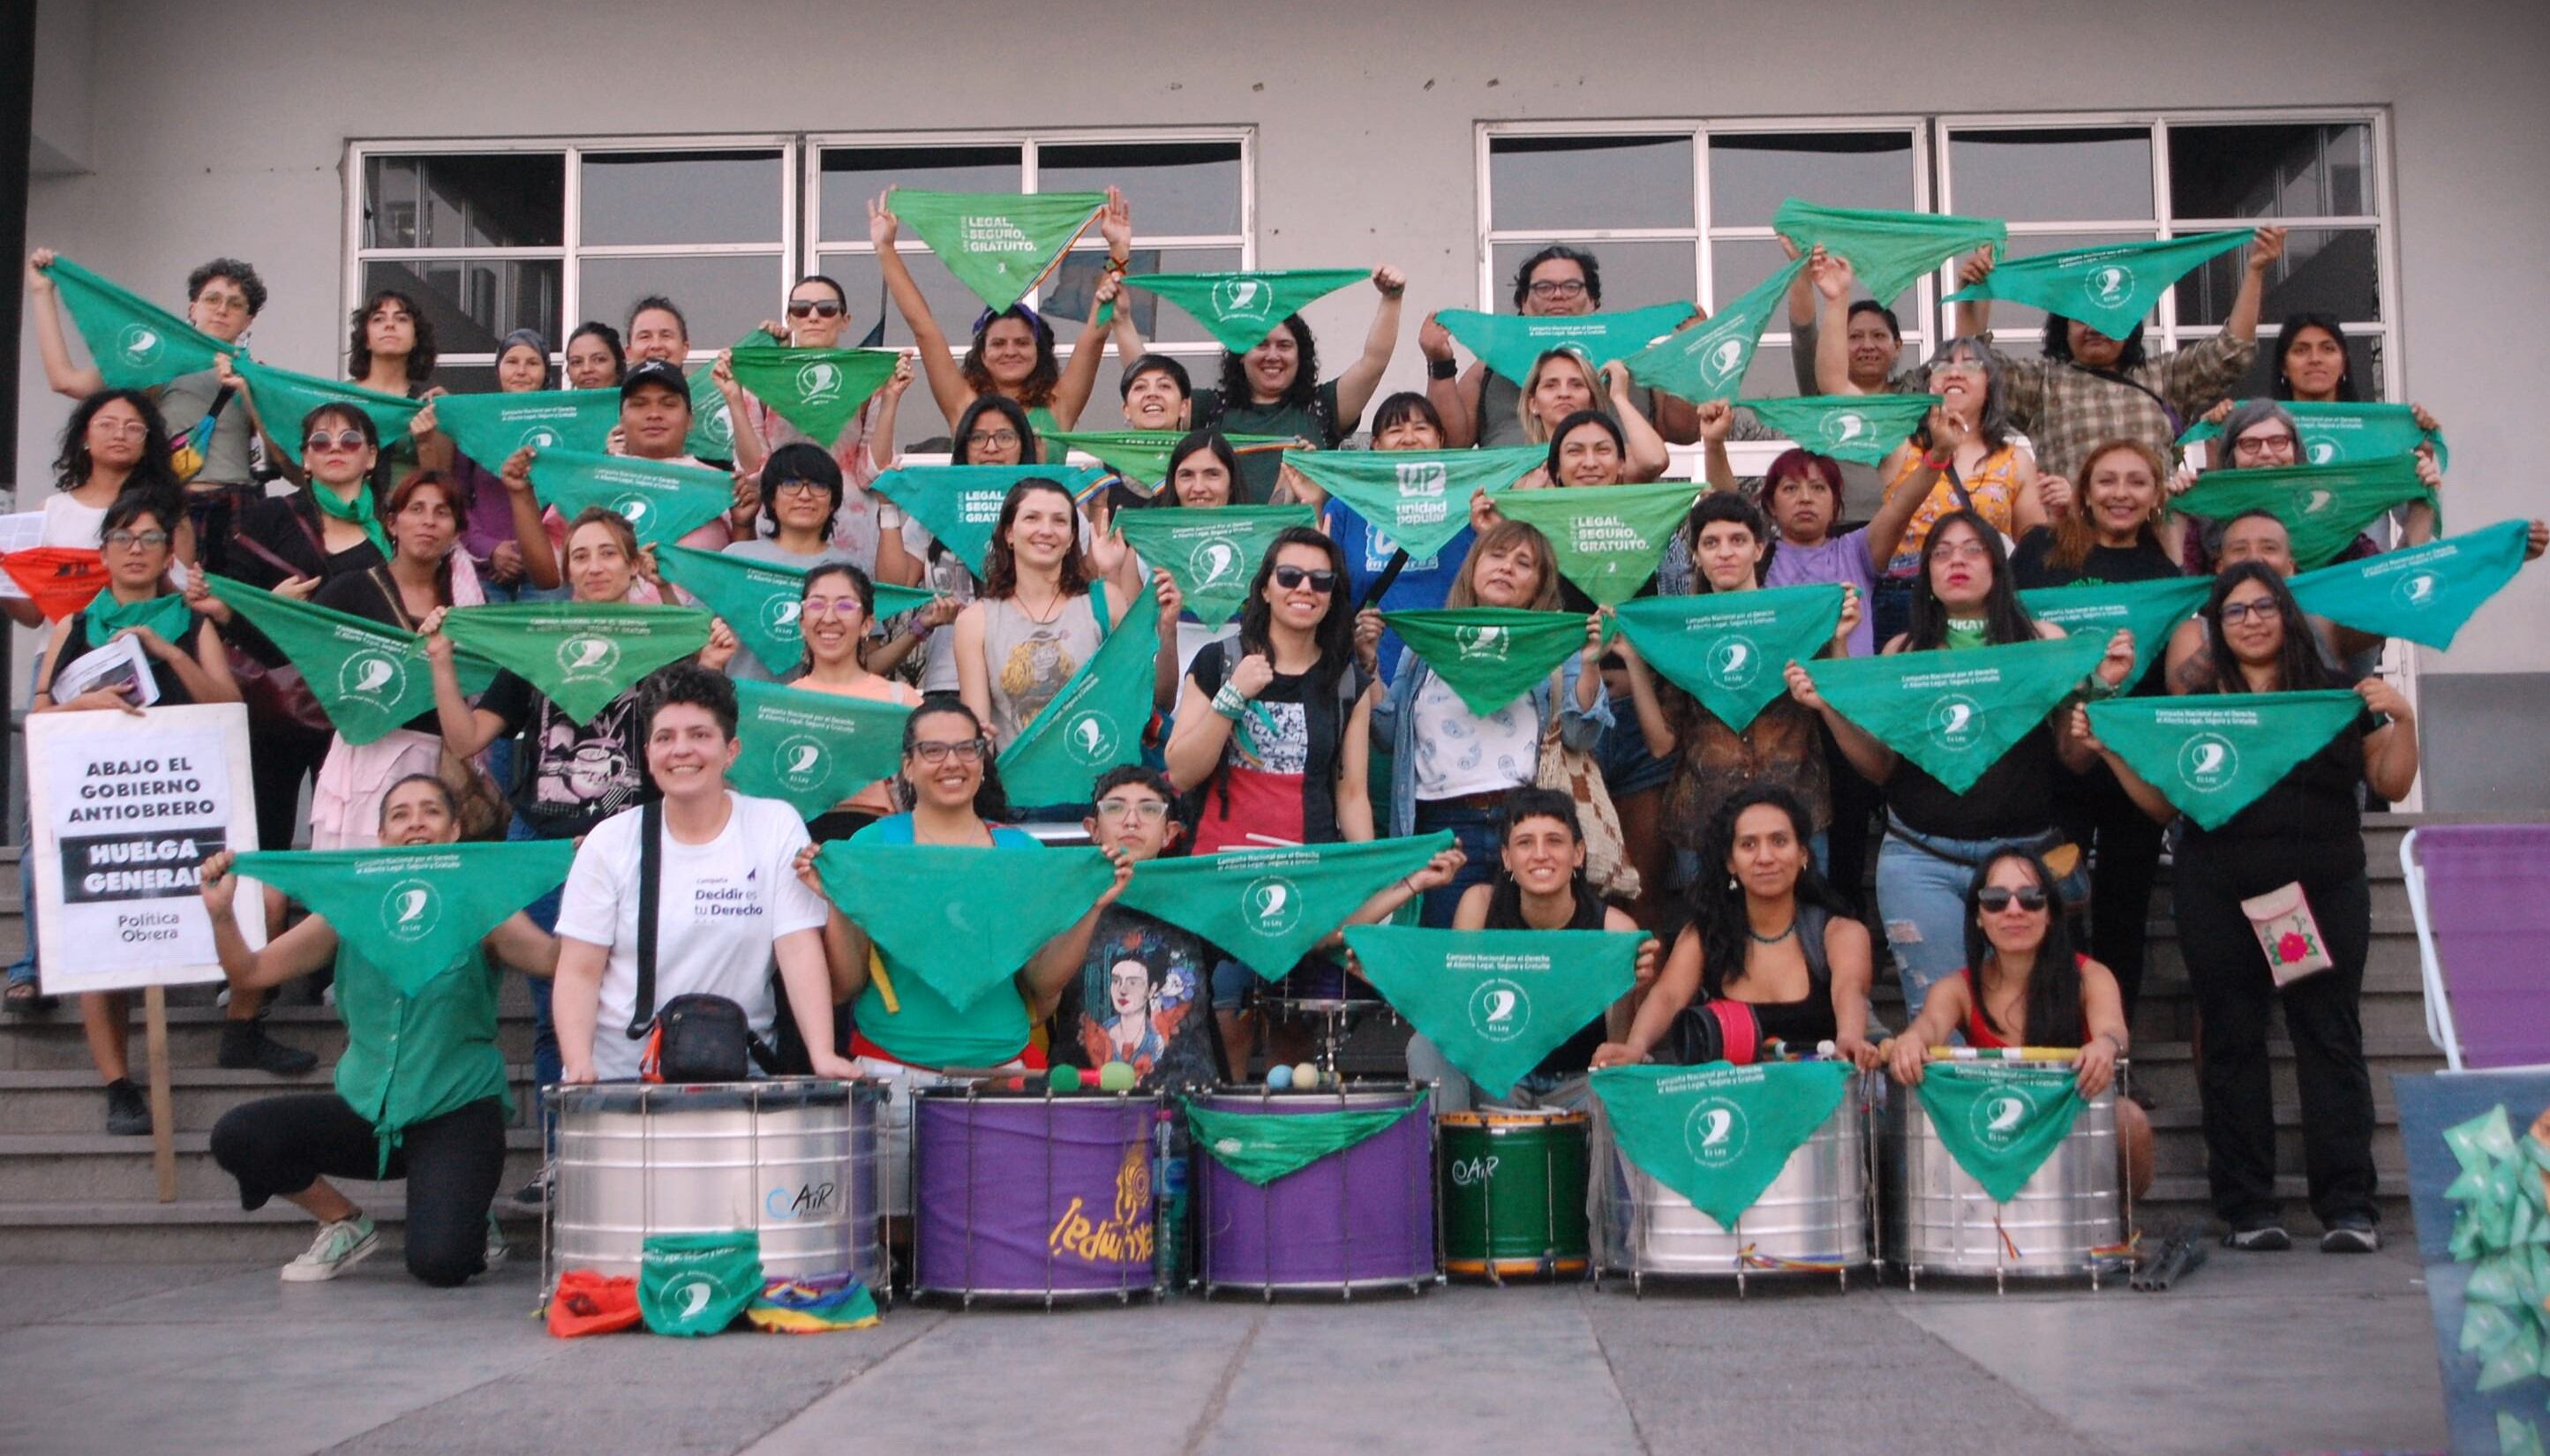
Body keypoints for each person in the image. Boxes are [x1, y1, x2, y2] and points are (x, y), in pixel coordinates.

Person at [2081, 563, 2414, 1251]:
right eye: (2234, 611)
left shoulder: (2336, 697)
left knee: (2327, 1037)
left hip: (2319, 892)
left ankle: (2349, 1207)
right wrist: (2113, 753)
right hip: (2219, 891)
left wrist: (2402, 716)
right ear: (2216, 627)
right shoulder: (2194, 705)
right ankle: (2247, 1208)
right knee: (2229, 1041)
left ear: (2287, 614)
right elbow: (2164, 805)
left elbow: (2392, 778)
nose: (2252, 620)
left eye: (2265, 606)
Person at [422, 507, 716, 1207]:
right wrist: (439, 664)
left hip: (640, 841)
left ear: (630, 563)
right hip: (545, 846)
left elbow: (705, 717)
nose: (591, 567)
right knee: (559, 1003)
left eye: (606, 555)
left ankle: (657, 1146)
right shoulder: (535, 645)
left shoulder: (662, 645)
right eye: (579, 555)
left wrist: (686, 623)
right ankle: (566, 1154)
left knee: (657, 990)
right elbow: (466, 740)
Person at [200, 775, 557, 1285]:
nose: (416, 821)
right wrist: (221, 917)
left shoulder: (480, 903)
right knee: (239, 1134)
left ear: (455, 831)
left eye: (431, 811)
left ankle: (470, 1207)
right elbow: (251, 975)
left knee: (441, 1265)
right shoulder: (351, 907)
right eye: (400, 814)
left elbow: (552, 960)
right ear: (382, 837)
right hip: (369, 1108)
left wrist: (594, 880)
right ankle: (344, 1224)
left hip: (455, 1108)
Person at [1785, 511, 2133, 1007]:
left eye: (1973, 550)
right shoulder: (1901, 653)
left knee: (2028, 1017)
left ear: (1998, 567)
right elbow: (1881, 768)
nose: (1957, 562)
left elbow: (2075, 759)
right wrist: (1828, 709)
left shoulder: (2044, 642)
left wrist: (2104, 688)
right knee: (1936, 1023)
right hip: (1920, 861)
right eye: (1942, 553)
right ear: (1925, 575)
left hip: (2023, 861)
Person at [816, 697, 1132, 1215]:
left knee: (994, 1240)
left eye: (967, 749)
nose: (952, 762)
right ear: (908, 765)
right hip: (893, 1079)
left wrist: (1090, 909)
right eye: (933, 750)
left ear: (983, 761)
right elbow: (846, 984)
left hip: (1000, 1083)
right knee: (895, 1241)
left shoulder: (1022, 855)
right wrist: (838, 896)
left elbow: (1042, 985)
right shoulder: (870, 847)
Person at [32, 490, 279, 1121]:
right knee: (94, 937)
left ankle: (240, 1027)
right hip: (104, 807)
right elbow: (40, 717)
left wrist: (167, 651)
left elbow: (227, 704)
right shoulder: (76, 626)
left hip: (186, 803)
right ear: (104, 552)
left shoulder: (192, 621)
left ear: (171, 552)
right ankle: (118, 1084)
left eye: (149, 538)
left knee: (267, 902)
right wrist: (85, 704)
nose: (135, 550)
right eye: (122, 538)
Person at [550, 664, 854, 1084]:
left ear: (731, 751)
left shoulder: (775, 825)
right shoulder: (609, 840)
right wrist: (579, 1063)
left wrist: (822, 1053)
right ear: (648, 754)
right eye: (665, 738)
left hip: (739, 1069)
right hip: (624, 1075)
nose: (681, 750)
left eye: (699, 735)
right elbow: (579, 969)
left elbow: (799, 949)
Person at [4, 394, 190, 1009]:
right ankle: (35, 964)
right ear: (83, 437)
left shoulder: (167, 512)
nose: (119, 434)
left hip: (153, 670)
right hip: (65, 663)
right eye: (106, 423)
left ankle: (142, 951)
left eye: (133, 426)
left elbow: (183, 592)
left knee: (143, 816)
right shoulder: (50, 511)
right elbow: (30, 611)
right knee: (47, 829)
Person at [1166, 527, 1376, 1067]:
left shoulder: (1346, 678)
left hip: (1306, 876)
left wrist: (1366, 875)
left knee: (1294, 1032)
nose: (1305, 588)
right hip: (1220, 874)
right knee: (1223, 1020)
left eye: (1321, 581)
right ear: (1264, 588)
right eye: (1289, 576)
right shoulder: (1219, 660)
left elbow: (1351, 792)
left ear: (1334, 597)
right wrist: (1234, 695)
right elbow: (1181, 771)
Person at [2009, 438, 2187, 1019]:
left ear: (2155, 495)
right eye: (2106, 480)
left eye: (2136, 482)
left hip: (2129, 764)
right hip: (2053, 759)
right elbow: (2006, 629)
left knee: (2122, 913)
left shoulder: (2163, 569)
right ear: (2083, 491)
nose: (2120, 493)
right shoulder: (2041, 549)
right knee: (2052, 909)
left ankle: (2116, 1057)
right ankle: (2059, 1044)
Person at [1364, 520, 1610, 923]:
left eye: (1523, 562)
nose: (1506, 567)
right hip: (1438, 827)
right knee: (1444, 959)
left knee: (1517, 961)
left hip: (1524, 827)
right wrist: (1369, 662)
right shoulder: (1425, 649)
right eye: (1496, 555)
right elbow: (1388, 736)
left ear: (1539, 585)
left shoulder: (1551, 647)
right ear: (1473, 566)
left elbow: (1580, 734)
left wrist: (1591, 663)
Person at [1616, 493, 1861, 891]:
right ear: (1695, 555)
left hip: (1797, 813)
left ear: (1759, 548)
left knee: (1804, 941)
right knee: (1714, 945)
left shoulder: (1796, 620)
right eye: (1711, 543)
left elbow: (1845, 715)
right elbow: (1661, 745)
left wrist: (1839, 641)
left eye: (1738, 540)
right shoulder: (1683, 633)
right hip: (1705, 823)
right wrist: (1632, 660)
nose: (1725, 553)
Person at [1883, 850, 2153, 1202]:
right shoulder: (1957, 988)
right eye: (1995, 901)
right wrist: (1910, 1041)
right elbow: (1929, 1024)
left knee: (2129, 1119)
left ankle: (2115, 1227)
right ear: (1979, 917)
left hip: (2070, 1115)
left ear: (2051, 913)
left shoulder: (2091, 975)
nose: (2014, 910)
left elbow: (2114, 1032)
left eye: (2031, 899)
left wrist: (2105, 1046)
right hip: (1992, 1122)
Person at [1950, 226, 2286, 485]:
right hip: (2071, 545)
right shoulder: (2042, 384)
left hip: (2153, 541)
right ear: (2062, 328)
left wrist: (2255, 270)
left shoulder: (2164, 376)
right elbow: (1972, 370)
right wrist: (1974, 297)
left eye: (2105, 318)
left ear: (2129, 325)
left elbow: (2233, 351)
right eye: (2081, 318)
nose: (2094, 329)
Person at [1388, 789, 1658, 1111]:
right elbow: (1455, 1014)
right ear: (1506, 858)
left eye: (1555, 841)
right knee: (1428, 1044)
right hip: (1499, 1080)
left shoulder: (1615, 929)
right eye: (1525, 843)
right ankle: (1443, 1154)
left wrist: (1628, 988)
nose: (1540, 854)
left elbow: (1617, 1045)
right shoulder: (1480, 905)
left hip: (1580, 1084)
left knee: (1636, 1069)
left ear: (1579, 854)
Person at [210, 402, 395, 872]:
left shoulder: (394, 527)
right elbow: (225, 611)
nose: (336, 449)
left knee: (347, 840)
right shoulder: (271, 517)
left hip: (357, 704)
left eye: (350, 440)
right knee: (266, 838)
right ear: (305, 459)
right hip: (276, 703)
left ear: (371, 456)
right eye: (321, 442)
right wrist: (275, 606)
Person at [1593, 785, 1879, 1069]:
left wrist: (1849, 1039)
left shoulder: (1840, 933)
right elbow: (1667, 996)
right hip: (1734, 1106)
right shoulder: (1704, 934)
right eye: (1748, 844)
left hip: (1824, 1098)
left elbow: (1849, 990)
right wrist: (1636, 1046)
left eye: (1779, 841)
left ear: (1803, 854)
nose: (1765, 857)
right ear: (1731, 862)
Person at [1826, 301, 2058, 647]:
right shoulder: (1900, 445)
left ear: (1990, 384)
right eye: (1941, 366)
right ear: (1929, 385)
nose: (1954, 372)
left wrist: (2061, 515)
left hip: (1985, 608)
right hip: (1906, 601)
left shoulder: (2014, 459)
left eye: (1970, 365)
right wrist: (1835, 297)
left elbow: (2035, 552)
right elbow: (1833, 383)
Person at [26, 249, 267, 572]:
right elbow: (66, 380)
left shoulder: (258, 375)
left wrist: (251, 393)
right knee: (166, 612)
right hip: (170, 504)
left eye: (235, 304)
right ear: (193, 308)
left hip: (237, 511)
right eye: (212, 299)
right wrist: (42, 293)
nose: (222, 310)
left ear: (248, 319)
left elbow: (287, 456)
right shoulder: (158, 362)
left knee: (230, 618)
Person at [302, 473, 485, 850]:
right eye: (415, 509)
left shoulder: (465, 604)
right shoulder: (349, 590)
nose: (428, 522)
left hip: (436, 760)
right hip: (365, 756)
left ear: (456, 531)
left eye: (442, 513)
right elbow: (311, 660)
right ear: (392, 523)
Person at [866, 188, 1134, 441]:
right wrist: (885, 248)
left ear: (1038, 351)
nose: (1010, 351)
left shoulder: (1059, 407)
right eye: (998, 343)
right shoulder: (963, 404)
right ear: (982, 355)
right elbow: (923, 328)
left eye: (1022, 342)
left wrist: (1118, 251)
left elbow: (1096, 333)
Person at [948, 477, 1159, 777]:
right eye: (1032, 518)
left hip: (1101, 791)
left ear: (1073, 537)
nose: (1046, 531)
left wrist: (1110, 572)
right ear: (1009, 533)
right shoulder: (975, 620)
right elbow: (978, 732)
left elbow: (1142, 691)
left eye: (1059, 521)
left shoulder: (1106, 602)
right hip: (1018, 797)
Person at [719, 273, 916, 573]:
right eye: (801, 309)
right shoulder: (766, 378)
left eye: (826, 309)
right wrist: (734, 398)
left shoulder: (865, 377)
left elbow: (872, 472)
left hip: (849, 524)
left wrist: (891, 398)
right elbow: (755, 471)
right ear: (789, 318)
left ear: (845, 319)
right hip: (781, 524)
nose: (813, 316)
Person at [1049, 766, 1230, 1091]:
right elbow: (1040, 992)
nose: (1131, 820)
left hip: (1186, 1109)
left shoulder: (1199, 899)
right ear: (1092, 828)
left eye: (1149, 809)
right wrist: (1094, 905)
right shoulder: (1062, 902)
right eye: (1115, 808)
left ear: (1170, 832)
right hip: (1081, 1108)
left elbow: (1280, 931)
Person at [1419, 244, 1686, 451]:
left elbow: (1685, 430)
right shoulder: (1492, 364)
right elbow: (1451, 442)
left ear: (1594, 301)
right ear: (1523, 302)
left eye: (1572, 287)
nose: (1557, 296)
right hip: (1517, 512)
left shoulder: (1636, 358)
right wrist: (1440, 363)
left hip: (1615, 508)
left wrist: (1692, 351)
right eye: (1543, 288)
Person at [1175, 268, 1406, 502]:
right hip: (1222, 537)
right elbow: (1151, 386)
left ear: (1300, 356)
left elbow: (1373, 363)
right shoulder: (1211, 408)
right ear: (1241, 354)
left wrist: (1392, 299)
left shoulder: (1321, 406)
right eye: (1261, 345)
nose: (1273, 356)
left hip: (1301, 536)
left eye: (1284, 346)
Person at [421, 328, 566, 602]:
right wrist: (491, 550)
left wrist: (530, 554)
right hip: (485, 571)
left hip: (548, 570)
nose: (521, 371)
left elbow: (567, 501)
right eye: (512, 362)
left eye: (532, 363)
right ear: (498, 369)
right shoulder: (478, 426)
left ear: (546, 372)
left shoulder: (562, 426)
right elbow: (457, 499)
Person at [788, 562, 923, 843]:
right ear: (801, 622)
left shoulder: (901, 700)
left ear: (866, 624)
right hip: (802, 847)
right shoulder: (781, 704)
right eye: (816, 605)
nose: (829, 617)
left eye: (845, 606)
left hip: (882, 846)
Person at [715, 441, 860, 683]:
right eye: (791, 485)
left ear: (833, 501)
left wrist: (919, 629)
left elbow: (868, 658)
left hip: (819, 712)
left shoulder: (851, 568)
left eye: (818, 485)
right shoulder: (736, 557)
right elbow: (696, 633)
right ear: (770, 498)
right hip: (739, 711)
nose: (805, 495)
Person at [601, 357, 758, 552]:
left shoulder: (721, 486)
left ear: (690, 420)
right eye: (640, 404)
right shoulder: (591, 482)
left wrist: (744, 524)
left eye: (668, 404)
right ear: (621, 419)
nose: (654, 414)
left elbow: (738, 574)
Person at [1514, 359, 1670, 489]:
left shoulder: (1612, 457)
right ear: (1533, 404)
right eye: (1550, 385)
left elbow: (1655, 460)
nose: (1564, 393)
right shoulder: (1517, 470)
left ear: (1592, 401)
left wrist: (1619, 397)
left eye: (1577, 385)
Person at [563, 321, 626, 391]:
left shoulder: (637, 401)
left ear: (618, 364)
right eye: (577, 362)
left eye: (599, 360)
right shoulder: (560, 402)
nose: (586, 369)